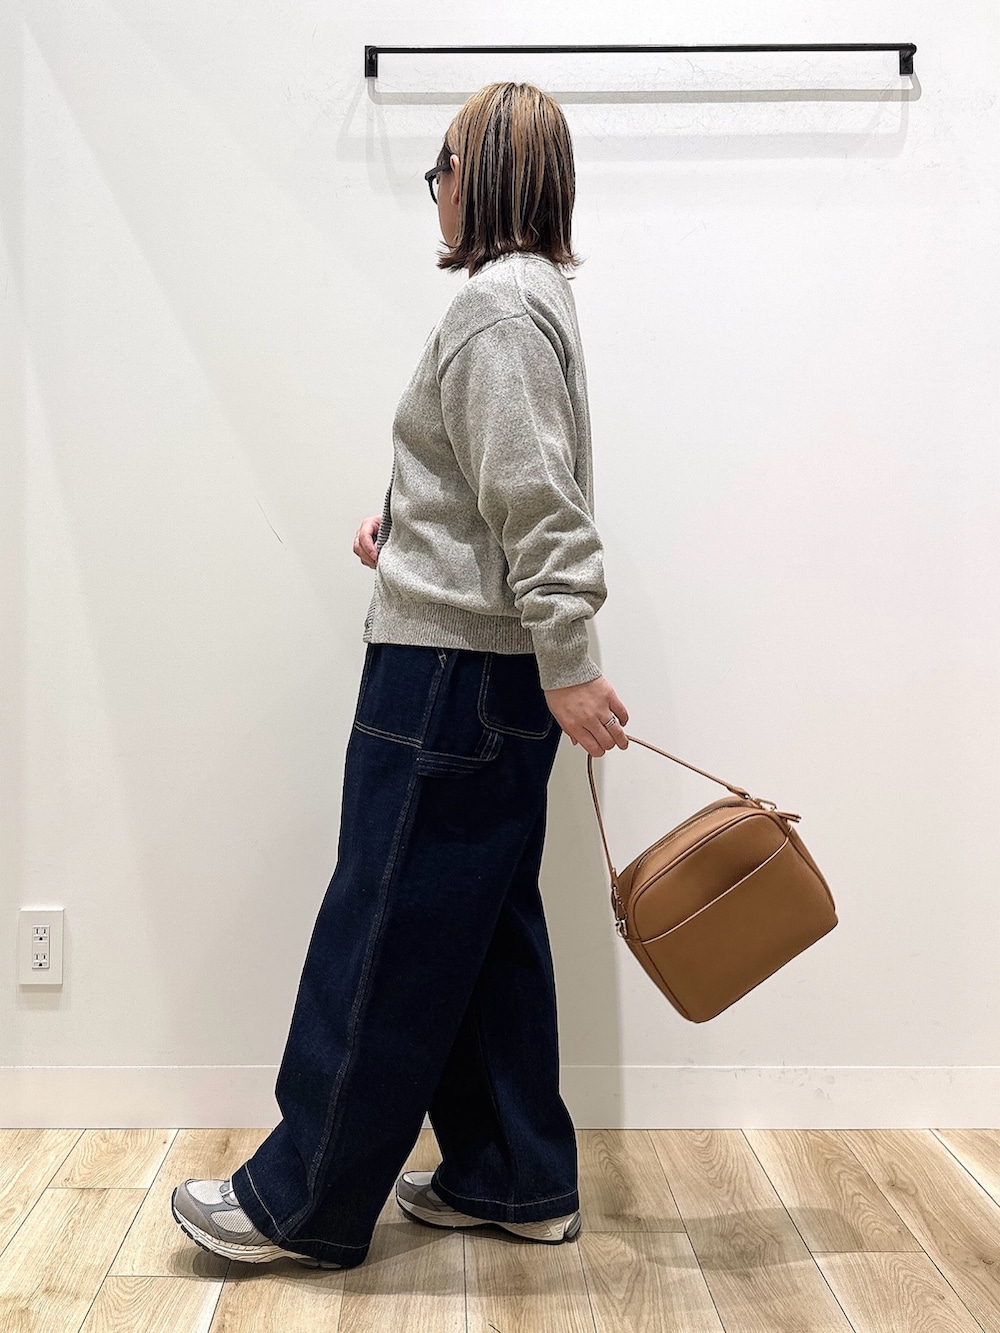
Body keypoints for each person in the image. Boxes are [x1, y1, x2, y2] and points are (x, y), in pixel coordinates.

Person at [171, 80, 629, 1272]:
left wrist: (571, 658)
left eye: (444, 165)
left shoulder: (492, 307)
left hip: (444, 678)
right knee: (480, 931)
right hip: (481, 673)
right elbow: (494, 483)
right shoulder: (534, 298)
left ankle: (301, 1202)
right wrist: (412, 529)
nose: (435, 187)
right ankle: (511, 1172)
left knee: (380, 929)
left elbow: (539, 504)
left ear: (488, 174)